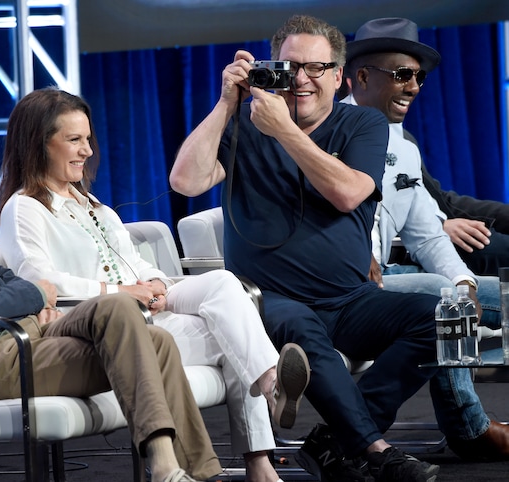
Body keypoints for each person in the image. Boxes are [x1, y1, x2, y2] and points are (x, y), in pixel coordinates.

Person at [0, 119, 223, 482]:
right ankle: (167, 466)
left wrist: (32, 301)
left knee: (123, 309)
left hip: (24, 334)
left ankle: (191, 471)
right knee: (153, 342)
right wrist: (34, 294)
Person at [170, 14, 441, 482]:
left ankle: (332, 442)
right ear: (271, 68)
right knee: (301, 327)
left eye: (316, 68)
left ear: (338, 76)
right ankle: (377, 452)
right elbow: (186, 180)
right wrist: (224, 104)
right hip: (269, 300)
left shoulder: (363, 125)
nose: (301, 79)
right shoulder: (247, 125)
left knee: (437, 316)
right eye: (290, 66)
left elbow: (349, 193)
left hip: (350, 299)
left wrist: (286, 132)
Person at [0, 87, 311, 482]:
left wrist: (156, 282)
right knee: (233, 333)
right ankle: (260, 464)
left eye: (88, 139)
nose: (87, 151)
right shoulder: (24, 207)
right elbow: (38, 281)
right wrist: (124, 293)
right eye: (74, 140)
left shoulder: (95, 207)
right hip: (94, 330)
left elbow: (135, 264)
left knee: (226, 289)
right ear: (38, 145)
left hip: (144, 312)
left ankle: (270, 385)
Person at [343, 16, 509, 461]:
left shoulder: (406, 150)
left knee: (492, 296)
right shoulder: (326, 134)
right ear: (361, 76)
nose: (414, 86)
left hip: (386, 279)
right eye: (402, 74)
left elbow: (427, 236)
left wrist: (466, 283)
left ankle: (466, 423)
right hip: (345, 288)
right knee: (443, 298)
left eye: (418, 76)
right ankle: (468, 427)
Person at [422, 163, 509, 277]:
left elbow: (441, 200)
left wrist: (504, 214)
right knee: (499, 249)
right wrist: (438, 225)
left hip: (434, 225)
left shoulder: (407, 146)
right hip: (414, 241)